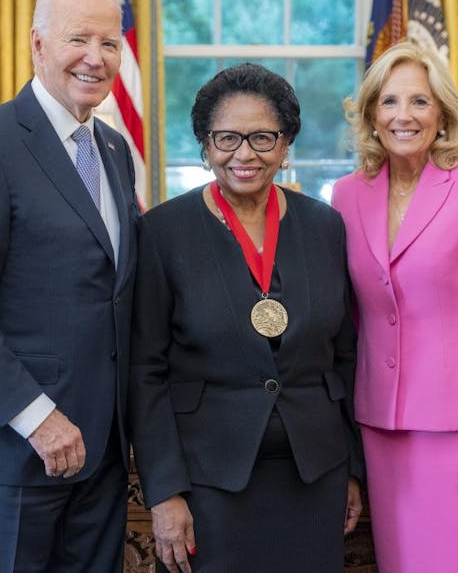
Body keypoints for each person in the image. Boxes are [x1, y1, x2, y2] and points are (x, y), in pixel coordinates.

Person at [0, 0, 140, 572]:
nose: (96, 58)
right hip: (17, 450)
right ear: (37, 44)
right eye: (78, 39)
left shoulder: (115, 151)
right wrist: (39, 419)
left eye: (110, 42)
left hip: (103, 449)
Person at [128, 63, 364, 573]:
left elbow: (344, 356)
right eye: (227, 137)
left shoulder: (325, 227)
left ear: (285, 145)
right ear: (205, 145)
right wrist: (164, 490)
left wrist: (353, 469)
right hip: (209, 478)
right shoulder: (163, 233)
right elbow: (145, 372)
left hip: (315, 473)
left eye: (262, 137)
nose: (244, 153)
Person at [331, 42, 458, 573]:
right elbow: (348, 315)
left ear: (441, 114)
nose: (404, 115)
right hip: (381, 424)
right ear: (372, 114)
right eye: (391, 101)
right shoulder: (347, 195)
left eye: (419, 101)